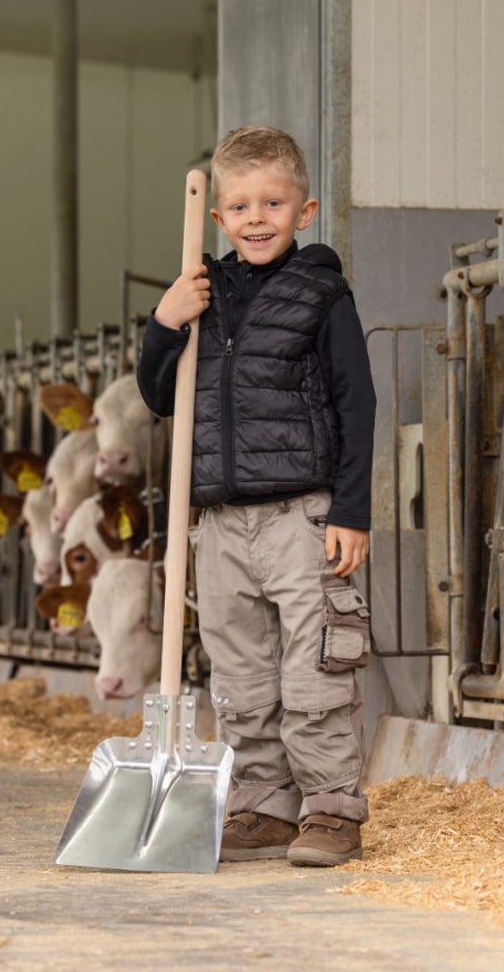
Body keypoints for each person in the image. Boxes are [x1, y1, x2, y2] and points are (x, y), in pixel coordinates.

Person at [137, 125, 376, 867]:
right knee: (240, 674)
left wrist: (351, 510)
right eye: (240, 205)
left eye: (273, 201)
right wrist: (163, 324)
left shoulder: (321, 292)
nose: (257, 217)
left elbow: (356, 402)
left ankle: (331, 810)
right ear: (219, 219)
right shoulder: (198, 293)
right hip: (217, 520)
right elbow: (158, 396)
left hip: (301, 514)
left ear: (304, 211)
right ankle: (264, 805)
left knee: (315, 667)